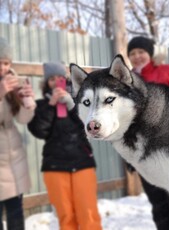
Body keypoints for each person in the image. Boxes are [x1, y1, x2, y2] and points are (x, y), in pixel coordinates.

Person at [27, 62, 102, 230]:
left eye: (59, 77)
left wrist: (72, 106)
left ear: (66, 79)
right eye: (51, 78)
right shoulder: (40, 105)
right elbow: (39, 131)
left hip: (82, 163)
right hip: (55, 167)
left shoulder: (80, 101)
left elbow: (90, 127)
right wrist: (51, 106)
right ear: (46, 82)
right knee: (66, 216)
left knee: (88, 213)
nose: (56, 81)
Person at [127, 36, 169, 230]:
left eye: (141, 52)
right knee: (159, 205)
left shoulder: (167, 71)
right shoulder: (125, 81)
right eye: (132, 53)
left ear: (150, 53)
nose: (137, 57)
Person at [0, 37, 36, 230]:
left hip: (14, 157)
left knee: (15, 211)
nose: (3, 67)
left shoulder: (13, 81)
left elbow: (22, 120)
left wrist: (27, 101)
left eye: (6, 63)